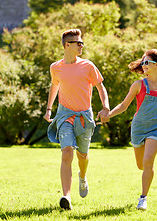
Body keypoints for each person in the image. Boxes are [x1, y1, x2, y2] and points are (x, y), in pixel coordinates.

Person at [44, 29, 110, 210]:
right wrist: (49, 109)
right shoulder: (55, 67)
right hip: (65, 115)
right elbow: (54, 86)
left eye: (82, 43)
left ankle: (82, 176)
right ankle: (66, 197)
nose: (81, 45)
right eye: (78, 43)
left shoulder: (88, 66)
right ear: (67, 45)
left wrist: (105, 107)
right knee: (67, 153)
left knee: (83, 156)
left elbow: (100, 87)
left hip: (85, 117)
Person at [104, 49, 157, 211]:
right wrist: (109, 114)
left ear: (156, 65)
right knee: (141, 165)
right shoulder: (138, 85)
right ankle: (146, 174)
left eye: (146, 62)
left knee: (148, 162)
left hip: (156, 127)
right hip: (138, 127)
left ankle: (143, 198)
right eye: (142, 62)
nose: (143, 65)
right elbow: (124, 106)